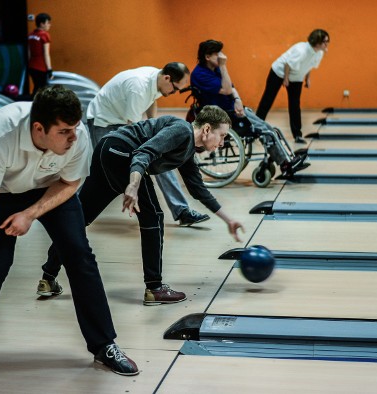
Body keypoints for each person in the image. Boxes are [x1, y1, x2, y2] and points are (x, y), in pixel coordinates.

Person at [0, 85, 139, 376]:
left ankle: (104, 345)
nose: (73, 137)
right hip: (4, 193)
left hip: (54, 189)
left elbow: (70, 184)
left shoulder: (76, 138)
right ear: (39, 128)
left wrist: (29, 214)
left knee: (80, 257)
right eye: (64, 131)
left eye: (75, 128)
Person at [39, 105, 245, 305]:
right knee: (153, 216)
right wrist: (133, 184)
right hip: (121, 153)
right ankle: (155, 289)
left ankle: (48, 278)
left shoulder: (187, 151)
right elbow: (142, 153)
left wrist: (229, 220)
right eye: (223, 135)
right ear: (207, 129)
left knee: (80, 218)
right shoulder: (182, 130)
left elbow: (198, 190)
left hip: (107, 150)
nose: (223, 142)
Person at [85, 63, 211, 227]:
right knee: (102, 171)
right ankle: (76, 209)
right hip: (102, 121)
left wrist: (158, 130)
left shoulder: (156, 78)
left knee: (160, 155)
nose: (173, 93)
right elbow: (132, 127)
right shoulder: (139, 86)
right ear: (167, 78)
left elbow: (152, 101)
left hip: (121, 119)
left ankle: (182, 211)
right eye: (174, 89)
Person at [190, 39, 308, 176]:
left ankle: (288, 159)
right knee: (265, 131)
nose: (222, 56)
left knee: (269, 128)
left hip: (232, 108)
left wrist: (238, 99)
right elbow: (227, 89)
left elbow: (232, 88)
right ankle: (285, 164)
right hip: (221, 115)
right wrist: (224, 66)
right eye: (218, 53)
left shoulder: (214, 69)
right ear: (207, 56)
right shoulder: (200, 74)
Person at [256, 29, 330, 143]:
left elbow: (309, 66)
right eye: (325, 41)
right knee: (268, 100)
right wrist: (285, 79)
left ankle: (297, 134)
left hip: (296, 77)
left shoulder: (319, 53)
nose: (327, 44)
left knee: (295, 105)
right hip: (279, 72)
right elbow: (287, 64)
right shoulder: (301, 50)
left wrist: (307, 78)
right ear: (318, 42)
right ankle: (255, 128)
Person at [27, 13, 52, 96]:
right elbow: (46, 54)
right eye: (48, 23)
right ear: (42, 24)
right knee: (42, 89)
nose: (49, 25)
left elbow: (29, 52)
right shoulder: (44, 35)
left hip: (32, 66)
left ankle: (33, 104)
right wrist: (49, 69)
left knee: (36, 87)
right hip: (41, 67)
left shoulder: (30, 35)